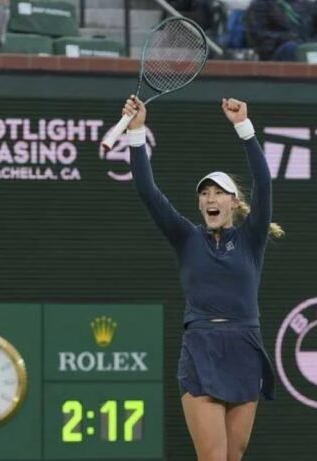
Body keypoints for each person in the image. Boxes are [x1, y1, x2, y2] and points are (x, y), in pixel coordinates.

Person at [124, 95, 284, 461]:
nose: (210, 198)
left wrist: (244, 127)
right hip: (201, 347)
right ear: (200, 204)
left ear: (232, 202)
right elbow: (148, 192)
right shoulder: (185, 236)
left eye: (218, 193)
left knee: (233, 457)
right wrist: (136, 133)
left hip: (245, 346)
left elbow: (264, 183)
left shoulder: (251, 237)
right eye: (204, 194)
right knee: (213, 458)